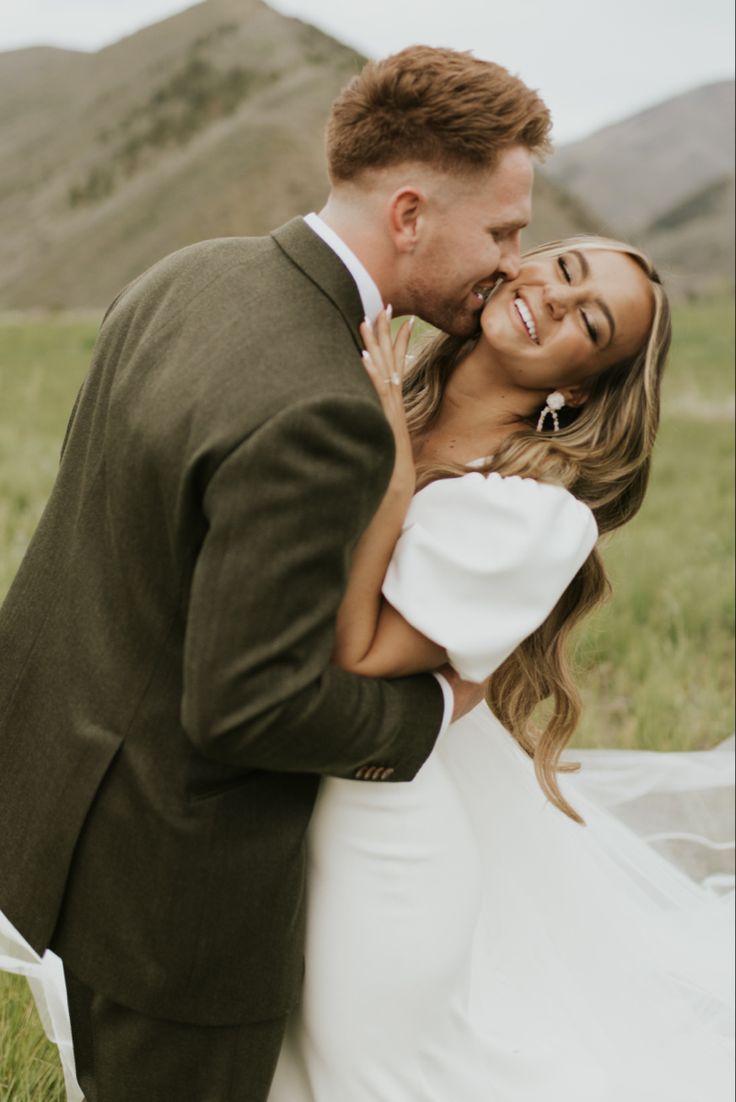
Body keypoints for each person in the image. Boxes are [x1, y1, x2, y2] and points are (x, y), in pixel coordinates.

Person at [0, 46, 554, 1102]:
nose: (513, 262)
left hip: (52, 817)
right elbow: (248, 703)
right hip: (177, 905)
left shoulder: (186, 271)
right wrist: (434, 712)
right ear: (407, 214)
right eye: (501, 231)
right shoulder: (324, 410)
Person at [266, 240, 735, 1100]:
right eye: (563, 271)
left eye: (589, 323)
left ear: (579, 387)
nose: (557, 301)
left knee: (367, 1074)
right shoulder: (378, 385)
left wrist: (392, 468)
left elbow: (361, 654)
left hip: (384, 831)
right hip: (273, 794)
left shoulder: (531, 513)